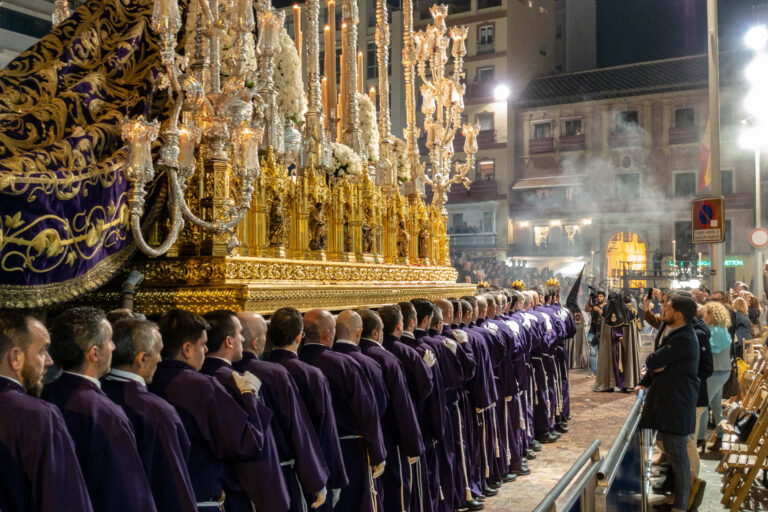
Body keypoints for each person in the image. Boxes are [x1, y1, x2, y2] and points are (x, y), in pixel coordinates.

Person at [149, 309, 269, 511]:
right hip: (200, 500)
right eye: (203, 345)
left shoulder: (149, 382)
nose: (205, 351)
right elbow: (244, 442)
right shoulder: (202, 386)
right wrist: (249, 396)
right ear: (187, 349)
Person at [42, 307, 157, 512]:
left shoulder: (42, 397)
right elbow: (126, 492)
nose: (113, 347)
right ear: (94, 353)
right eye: (110, 340)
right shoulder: (107, 414)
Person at [235, 311, 330, 512]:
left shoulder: (220, 375)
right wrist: (316, 479)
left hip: (237, 482)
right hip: (279, 477)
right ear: (256, 342)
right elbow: (298, 428)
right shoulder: (274, 373)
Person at [0, 311, 93, 512]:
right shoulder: (38, 415)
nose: (49, 361)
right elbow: (63, 500)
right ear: (15, 357)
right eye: (42, 351)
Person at [101, 318, 197, 512]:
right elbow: (173, 485)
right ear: (142, 358)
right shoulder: (159, 413)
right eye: (159, 352)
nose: (161, 359)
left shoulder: (95, 398)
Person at [199, 309, 289, 512]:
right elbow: (254, 444)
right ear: (229, 342)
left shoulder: (198, 379)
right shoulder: (238, 383)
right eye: (240, 333)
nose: (243, 338)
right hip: (238, 493)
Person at [299, 309, 386, 512]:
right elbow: (368, 410)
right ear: (329, 335)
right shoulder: (344, 364)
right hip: (350, 451)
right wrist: (378, 451)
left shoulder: (296, 364)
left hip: (309, 455)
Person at [265, 308, 349, 512]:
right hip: (308, 470)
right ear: (299, 335)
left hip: (269, 471)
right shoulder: (311, 375)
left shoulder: (258, 370)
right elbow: (326, 430)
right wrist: (335, 478)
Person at [357, 308, 425, 512]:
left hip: (360, 442)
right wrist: (413, 445)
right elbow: (402, 405)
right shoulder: (387, 359)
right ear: (375, 333)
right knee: (395, 492)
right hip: (390, 435)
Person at [636, 294, 700, 512]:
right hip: (670, 401)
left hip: (676, 403)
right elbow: (657, 364)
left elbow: (653, 360)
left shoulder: (683, 337)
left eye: (668, 307)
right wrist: (654, 371)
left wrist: (658, 364)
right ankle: (679, 496)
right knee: (673, 453)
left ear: (679, 314)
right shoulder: (674, 331)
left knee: (678, 455)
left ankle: (680, 506)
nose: (662, 309)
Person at [698, 301, 734, 453]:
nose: (704, 316)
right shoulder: (719, 329)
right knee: (716, 406)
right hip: (720, 370)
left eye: (707, 313)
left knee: (703, 405)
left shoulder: (717, 330)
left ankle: (700, 439)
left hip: (716, 371)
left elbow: (712, 349)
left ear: (713, 315)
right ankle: (720, 437)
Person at [594, 293, 641, 393]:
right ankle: (608, 384)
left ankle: (627, 383)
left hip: (623, 345)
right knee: (608, 359)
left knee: (626, 359)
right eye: (610, 300)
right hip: (610, 344)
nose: (612, 303)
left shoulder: (628, 314)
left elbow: (631, 333)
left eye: (613, 300)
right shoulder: (606, 313)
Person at [585, 289, 606, 376]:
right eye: (598, 296)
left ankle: (603, 371)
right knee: (593, 352)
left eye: (601, 296)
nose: (599, 298)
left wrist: (599, 310)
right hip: (593, 331)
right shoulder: (594, 305)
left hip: (603, 332)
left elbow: (607, 316)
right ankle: (594, 371)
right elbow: (586, 309)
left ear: (604, 297)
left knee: (603, 352)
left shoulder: (606, 306)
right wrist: (589, 299)